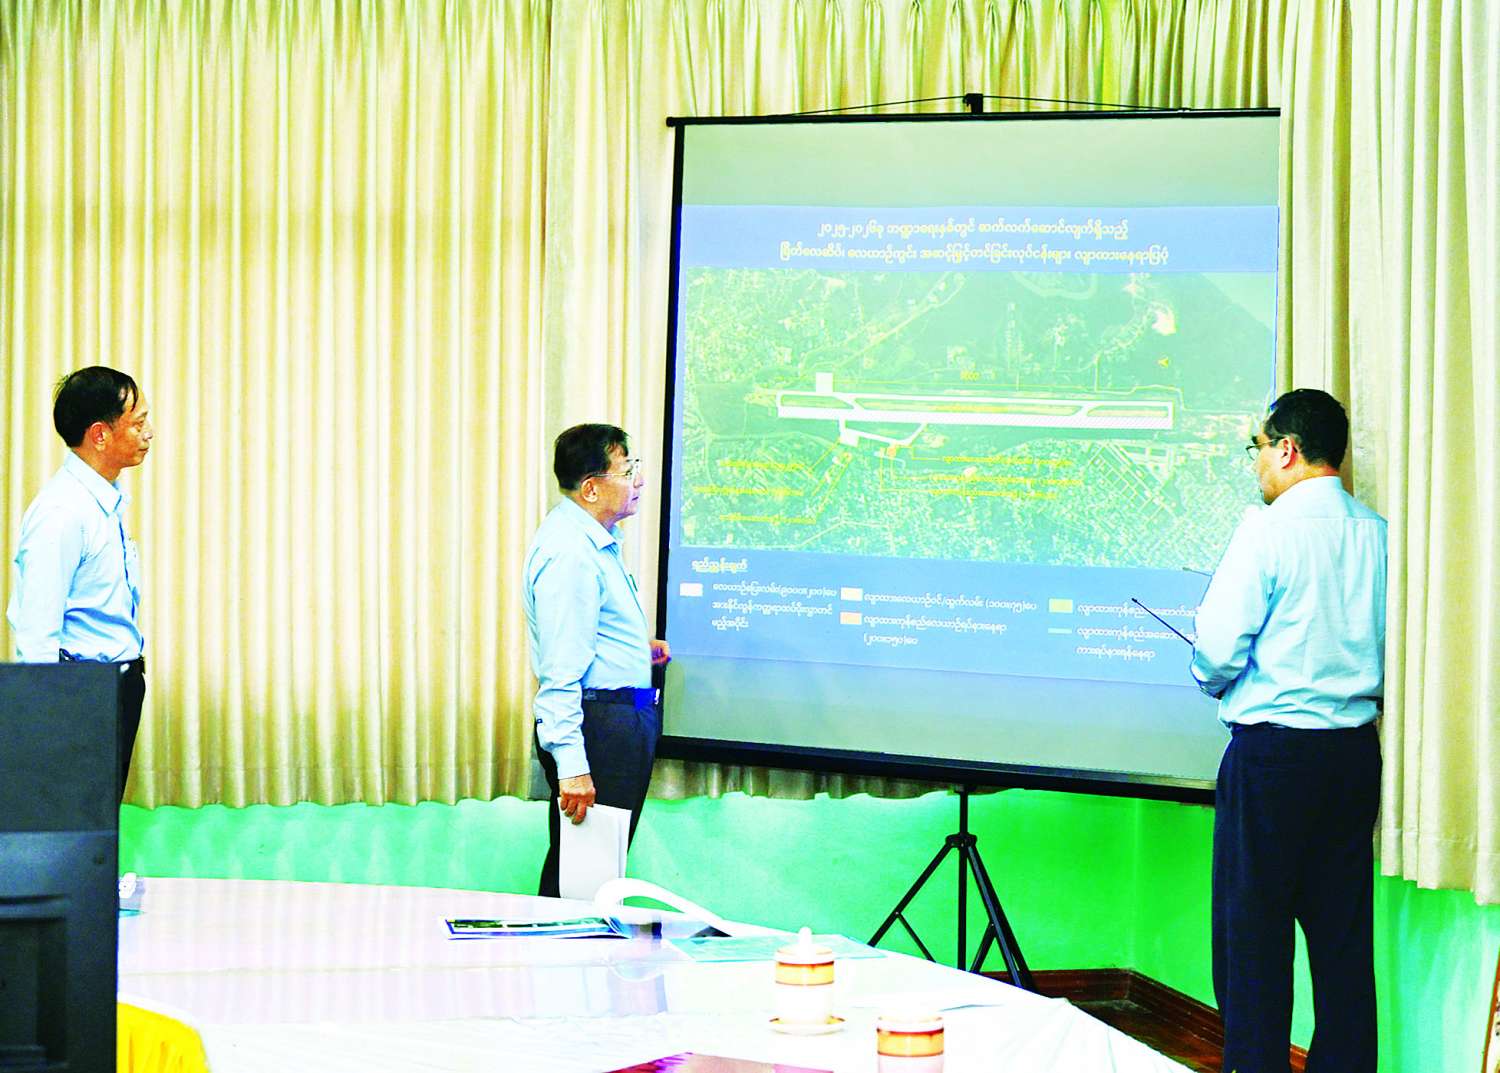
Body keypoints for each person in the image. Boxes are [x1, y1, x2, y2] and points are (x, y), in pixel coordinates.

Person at [1191, 388, 1387, 1073]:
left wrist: (1213, 680)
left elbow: (1217, 649)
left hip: (1272, 758)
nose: (1256, 463)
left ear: (1287, 449)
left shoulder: (1266, 531)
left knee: (1253, 942)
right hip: (1353, 755)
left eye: (1258, 448)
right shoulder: (1378, 533)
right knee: (1342, 945)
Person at [523, 423, 671, 898]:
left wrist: (635, 650)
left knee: (591, 870)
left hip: (615, 719)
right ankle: (565, 947)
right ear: (590, 488)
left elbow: (587, 635)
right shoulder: (570, 553)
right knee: (584, 878)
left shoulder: (594, 541)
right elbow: (560, 672)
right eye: (627, 471)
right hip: (599, 728)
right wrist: (572, 765)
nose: (638, 481)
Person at [7, 367, 154, 800]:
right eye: (138, 423)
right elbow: (36, 632)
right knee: (77, 817)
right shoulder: (62, 513)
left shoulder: (103, 500)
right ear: (100, 435)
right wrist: (49, 721)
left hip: (114, 685)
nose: (148, 433)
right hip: (81, 692)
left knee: (99, 816)